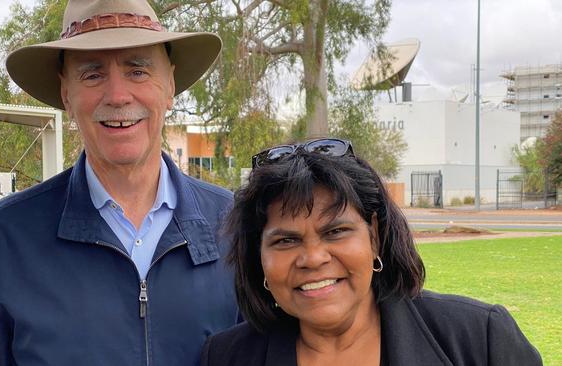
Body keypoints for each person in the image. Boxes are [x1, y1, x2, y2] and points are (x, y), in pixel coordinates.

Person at [0, 0, 239, 365]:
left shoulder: (236, 225)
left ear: (169, 84)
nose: (117, 96)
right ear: (66, 93)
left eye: (138, 70)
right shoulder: (5, 236)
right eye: (92, 74)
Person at [201, 138, 542, 366]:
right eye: (285, 241)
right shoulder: (226, 357)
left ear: (374, 236)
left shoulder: (478, 340)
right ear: (258, 258)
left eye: (335, 231)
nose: (314, 258)